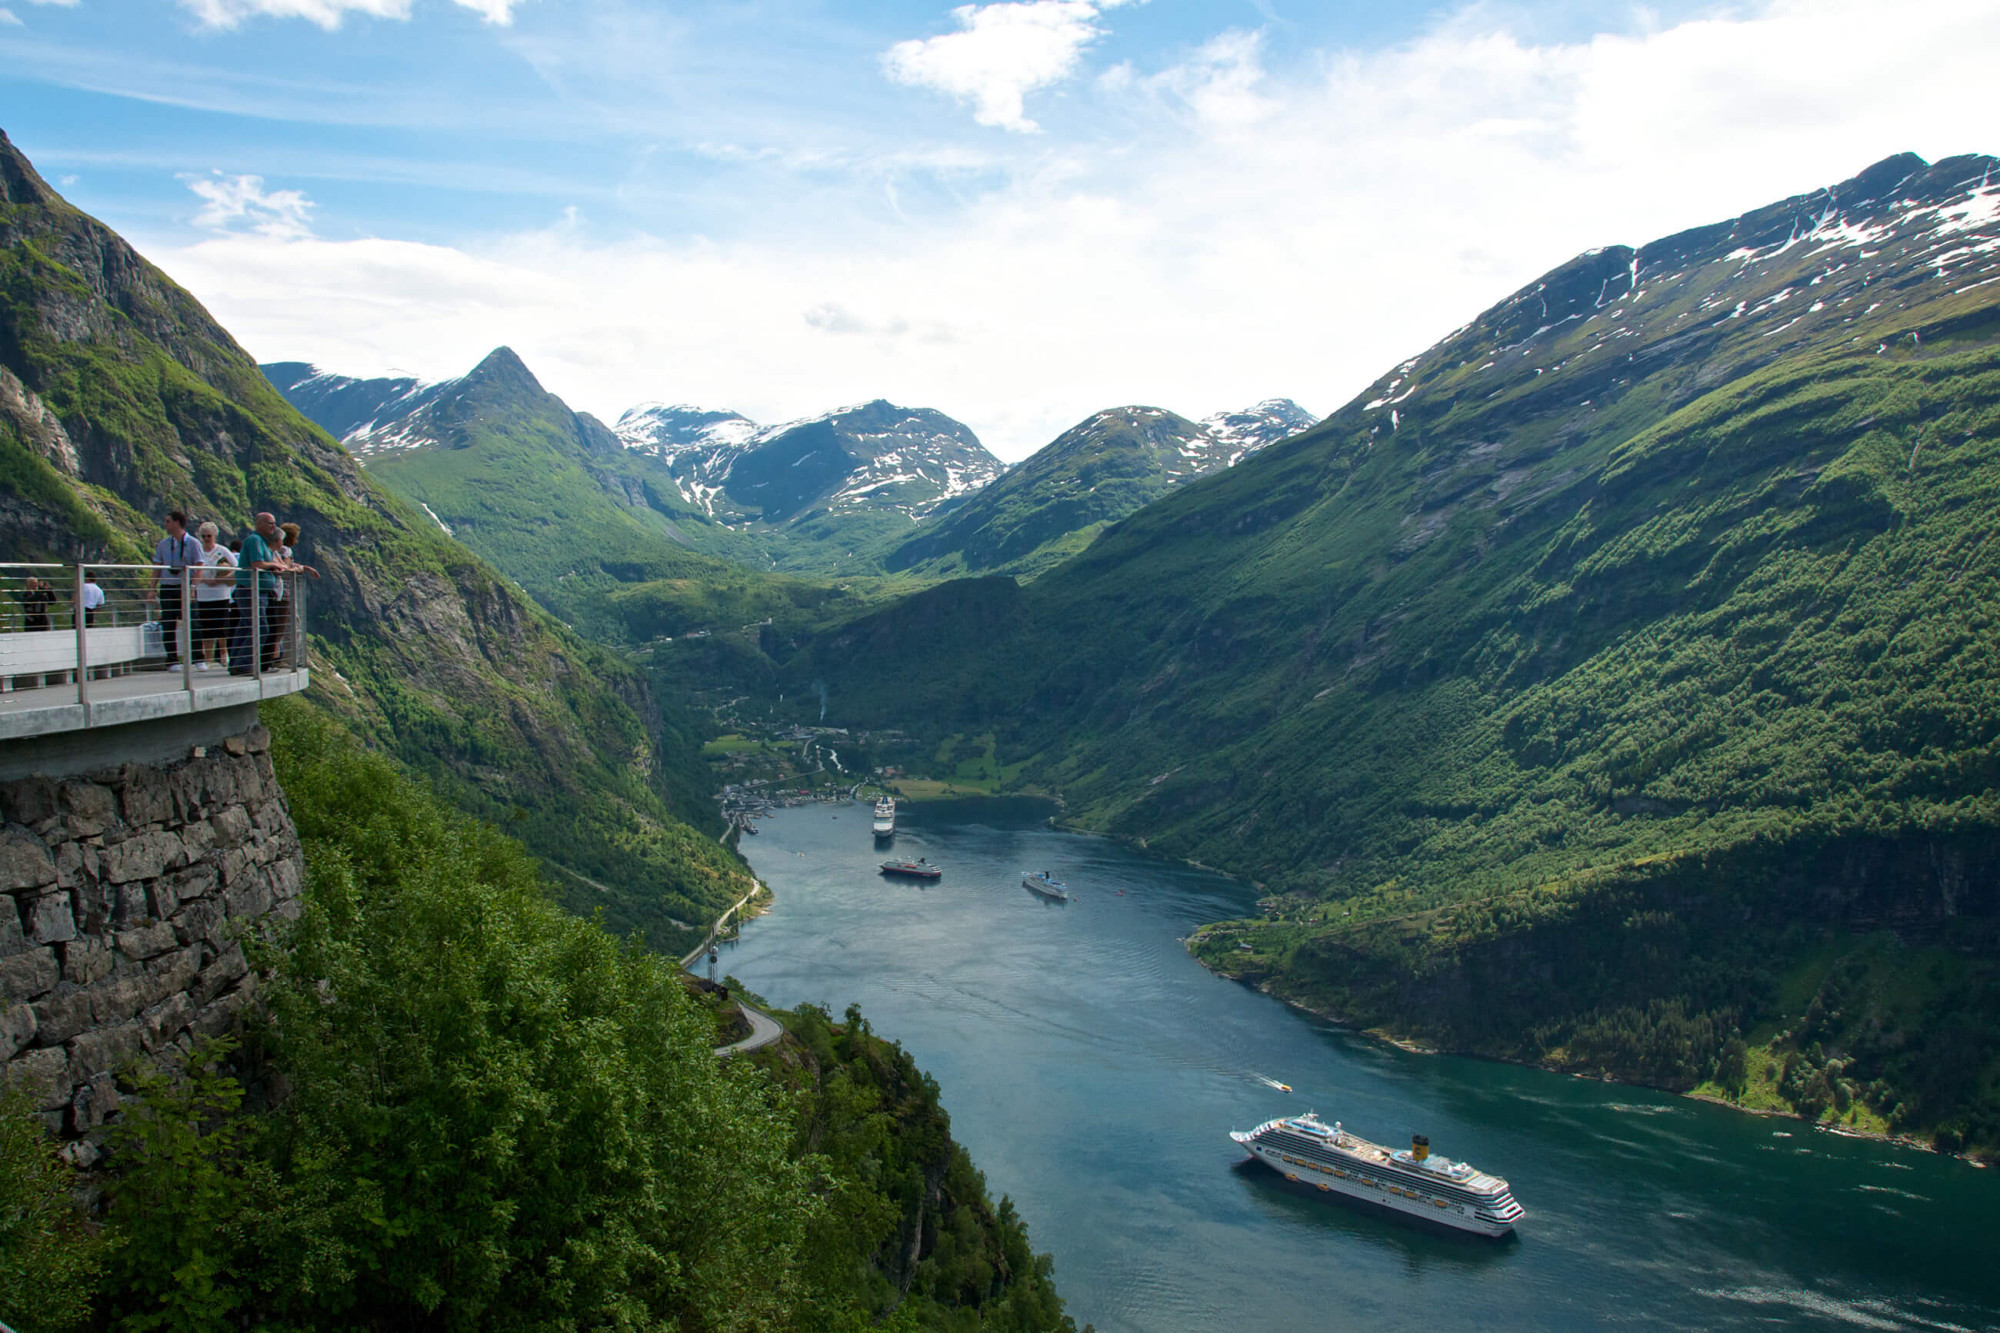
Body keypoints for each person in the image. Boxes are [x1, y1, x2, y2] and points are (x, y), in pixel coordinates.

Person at [228, 512, 285, 676]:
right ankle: (244, 663)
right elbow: (256, 563)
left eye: (274, 523)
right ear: (259, 524)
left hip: (257, 590)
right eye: (270, 523)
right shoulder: (254, 540)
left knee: (246, 626)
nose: (273, 526)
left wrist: (271, 566)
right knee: (260, 627)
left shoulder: (262, 542)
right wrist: (272, 564)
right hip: (251, 589)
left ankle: (236, 663)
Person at [152, 511, 202, 670]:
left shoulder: (193, 543)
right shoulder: (163, 544)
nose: (165, 524)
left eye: (168, 521)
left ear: (177, 522)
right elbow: (157, 566)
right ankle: (172, 660)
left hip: (185, 586)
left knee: (193, 623)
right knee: (168, 624)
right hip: (167, 587)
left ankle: (198, 658)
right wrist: (152, 587)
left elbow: (199, 567)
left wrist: (193, 587)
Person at [193, 522, 236, 672]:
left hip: (221, 593)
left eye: (208, 536)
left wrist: (222, 578)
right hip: (204, 593)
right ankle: (208, 657)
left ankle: (223, 651)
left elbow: (236, 566)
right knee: (206, 626)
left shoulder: (222, 550)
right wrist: (204, 580)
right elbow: (192, 569)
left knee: (221, 625)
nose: (206, 539)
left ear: (214, 536)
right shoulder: (197, 551)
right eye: (203, 536)